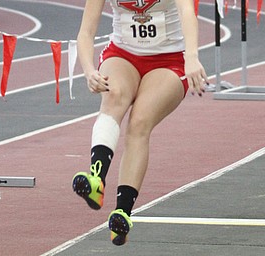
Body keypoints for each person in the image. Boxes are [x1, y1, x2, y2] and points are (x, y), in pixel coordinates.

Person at [72, 0, 209, 246]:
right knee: (113, 96)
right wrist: (89, 71)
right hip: (123, 54)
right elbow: (85, 32)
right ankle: (96, 178)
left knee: (139, 123)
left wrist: (192, 57)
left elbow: (187, 11)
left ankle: (122, 212)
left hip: (170, 59)